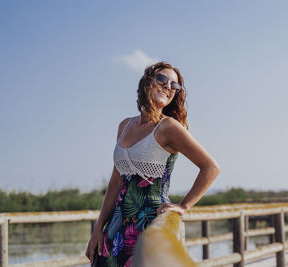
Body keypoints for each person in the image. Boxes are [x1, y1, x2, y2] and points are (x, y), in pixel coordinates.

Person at [85, 62, 220, 266]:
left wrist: (183, 206)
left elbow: (210, 167)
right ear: (147, 82)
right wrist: (97, 229)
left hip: (149, 223)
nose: (168, 87)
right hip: (115, 226)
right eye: (162, 79)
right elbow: (115, 181)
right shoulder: (124, 125)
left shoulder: (168, 127)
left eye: (174, 86)